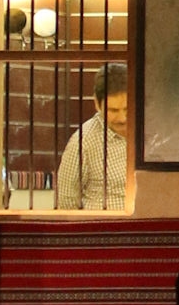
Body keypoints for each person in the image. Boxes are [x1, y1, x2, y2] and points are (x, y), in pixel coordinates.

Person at [55, 62, 130, 212]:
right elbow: (66, 201)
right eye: (113, 110)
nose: (122, 118)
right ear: (97, 103)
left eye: (127, 109)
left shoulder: (151, 133)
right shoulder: (83, 141)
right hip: (103, 225)